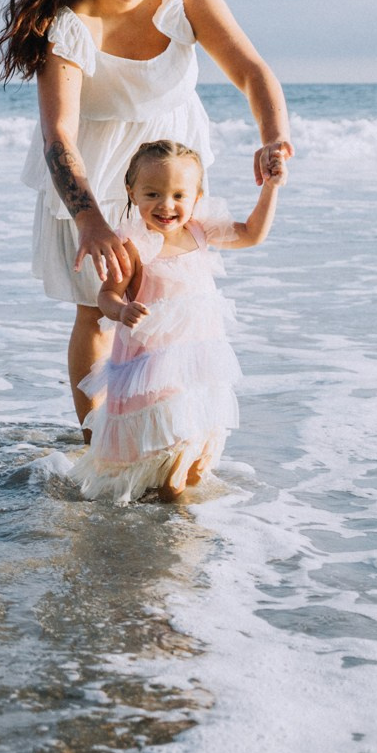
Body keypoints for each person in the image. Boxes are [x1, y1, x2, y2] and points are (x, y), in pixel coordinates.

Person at [0, 0, 292, 426]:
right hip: (92, 163)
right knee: (98, 308)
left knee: (175, 296)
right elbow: (59, 135)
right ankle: (98, 443)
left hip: (169, 157)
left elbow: (251, 71)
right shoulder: (69, 22)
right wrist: (90, 221)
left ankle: (170, 431)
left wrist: (274, 137)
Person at [66, 137, 278, 503]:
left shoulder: (199, 230)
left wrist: (271, 188)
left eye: (179, 195)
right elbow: (106, 296)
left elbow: (252, 233)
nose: (166, 205)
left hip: (197, 362)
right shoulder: (132, 245)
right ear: (131, 192)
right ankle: (172, 515)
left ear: (197, 196)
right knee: (171, 451)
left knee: (195, 455)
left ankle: (169, 508)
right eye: (153, 194)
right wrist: (121, 311)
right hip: (151, 368)